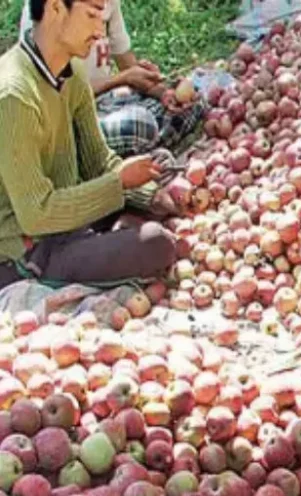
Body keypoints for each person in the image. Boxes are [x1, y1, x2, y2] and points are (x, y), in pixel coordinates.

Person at [0, 0, 178, 290]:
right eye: (92, 14)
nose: (99, 31)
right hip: (26, 249)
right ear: (56, 9)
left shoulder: (72, 70)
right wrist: (119, 183)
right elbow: (36, 214)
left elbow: (99, 163)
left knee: (155, 214)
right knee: (156, 244)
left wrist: (155, 195)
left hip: (67, 219)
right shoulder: (14, 96)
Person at [20, 0, 206, 157]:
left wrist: (163, 93)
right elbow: (56, 95)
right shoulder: (48, 13)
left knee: (193, 102)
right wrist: (122, 79)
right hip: (65, 120)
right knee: (140, 125)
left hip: (104, 103)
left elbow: (126, 61)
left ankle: (135, 151)